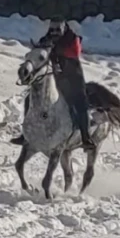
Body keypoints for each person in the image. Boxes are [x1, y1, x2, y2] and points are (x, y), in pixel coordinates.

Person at [46, 20, 95, 150]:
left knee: (80, 104)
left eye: (57, 29)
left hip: (73, 79)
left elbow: (74, 52)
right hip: (56, 79)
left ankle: (85, 136)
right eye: (52, 29)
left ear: (64, 28)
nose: (54, 32)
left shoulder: (73, 39)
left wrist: (55, 50)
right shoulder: (48, 38)